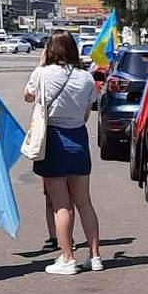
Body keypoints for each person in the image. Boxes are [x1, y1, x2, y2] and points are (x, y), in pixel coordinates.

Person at [24, 30, 103, 275]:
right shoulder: (86, 78)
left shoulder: (42, 74)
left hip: (53, 141)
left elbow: (28, 97)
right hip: (78, 140)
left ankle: (67, 257)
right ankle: (95, 256)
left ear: (50, 49)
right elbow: (86, 113)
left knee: (61, 205)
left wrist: (41, 63)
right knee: (84, 202)